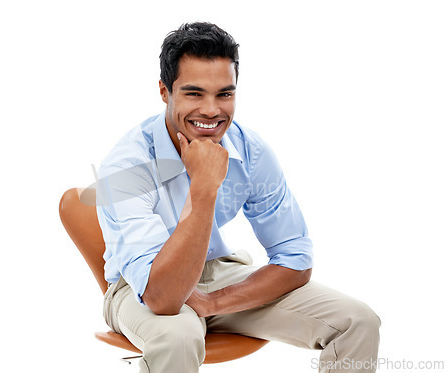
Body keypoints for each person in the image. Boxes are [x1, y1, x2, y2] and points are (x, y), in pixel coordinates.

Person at [96, 22, 380, 373]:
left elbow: (295, 256)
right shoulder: (124, 168)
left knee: (357, 320)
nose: (212, 111)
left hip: (218, 274)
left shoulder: (251, 150)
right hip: (140, 286)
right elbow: (162, 297)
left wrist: (216, 301)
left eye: (224, 94)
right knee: (177, 337)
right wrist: (203, 188)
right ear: (165, 92)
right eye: (194, 94)